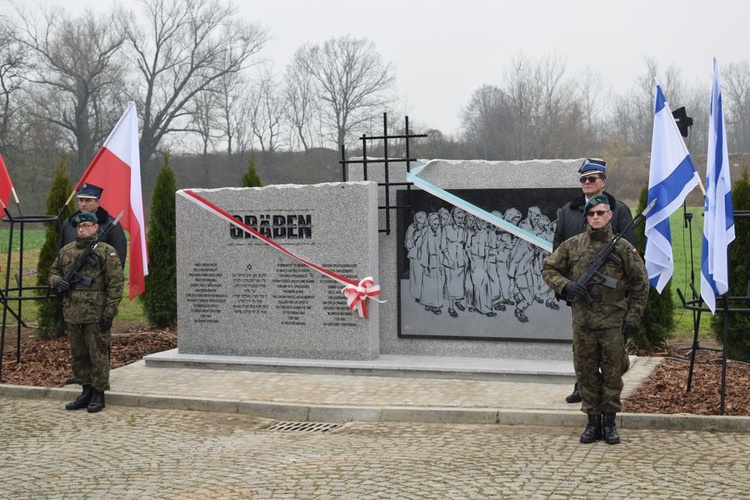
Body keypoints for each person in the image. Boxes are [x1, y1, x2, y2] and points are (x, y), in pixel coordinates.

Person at [542, 194, 648, 444]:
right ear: (586, 217)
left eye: (601, 213)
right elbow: (549, 268)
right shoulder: (572, 245)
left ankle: (610, 423)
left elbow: (640, 285)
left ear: (609, 215)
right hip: (583, 323)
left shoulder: (622, 249)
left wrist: (630, 320)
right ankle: (593, 423)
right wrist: (566, 286)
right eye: (591, 214)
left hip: (613, 323)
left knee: (612, 374)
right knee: (586, 374)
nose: (596, 217)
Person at [553, 159, 637, 404]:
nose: (587, 183)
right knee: (582, 346)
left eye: (592, 179)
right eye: (583, 180)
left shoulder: (618, 210)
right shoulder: (568, 211)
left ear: (603, 182)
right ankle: (583, 385)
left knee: (611, 350)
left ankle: (608, 390)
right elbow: (557, 249)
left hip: (610, 298)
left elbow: (631, 252)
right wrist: (565, 287)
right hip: (580, 293)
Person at [49, 212, 124, 413]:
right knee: (79, 355)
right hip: (73, 312)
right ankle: (85, 391)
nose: (81, 229)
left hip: (95, 313)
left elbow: (115, 285)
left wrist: (109, 313)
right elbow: (53, 272)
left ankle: (99, 393)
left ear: (95, 227)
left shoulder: (106, 252)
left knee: (97, 354)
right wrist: (58, 281)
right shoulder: (67, 251)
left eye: (85, 226)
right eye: (78, 227)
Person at [59, 183, 127, 269]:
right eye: (81, 200)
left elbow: (119, 257)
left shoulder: (111, 225)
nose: (83, 204)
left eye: (88, 200)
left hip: (99, 280)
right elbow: (59, 254)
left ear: (98, 202)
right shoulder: (69, 224)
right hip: (70, 280)